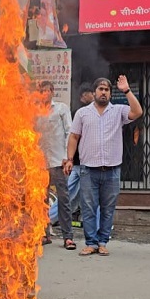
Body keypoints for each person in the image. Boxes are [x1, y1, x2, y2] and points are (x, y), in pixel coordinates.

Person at [63, 75, 143, 256]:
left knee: (108, 208)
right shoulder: (82, 113)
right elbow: (74, 136)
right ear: (94, 93)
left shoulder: (118, 111)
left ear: (110, 94)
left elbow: (137, 112)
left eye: (107, 89)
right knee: (88, 207)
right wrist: (69, 159)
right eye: (101, 89)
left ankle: (103, 242)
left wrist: (127, 91)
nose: (104, 92)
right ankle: (90, 242)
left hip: (112, 169)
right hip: (88, 169)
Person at [48, 83, 98, 227]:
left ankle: (94, 224)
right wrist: (68, 158)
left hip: (88, 162)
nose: (93, 95)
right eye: (91, 92)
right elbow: (72, 136)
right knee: (68, 193)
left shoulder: (94, 112)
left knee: (87, 195)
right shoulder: (79, 112)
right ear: (84, 95)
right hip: (77, 162)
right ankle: (50, 218)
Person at [36, 81, 74, 249]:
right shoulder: (34, 112)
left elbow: (69, 132)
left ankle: (68, 237)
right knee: (41, 201)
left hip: (59, 161)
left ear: (52, 92)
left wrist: (67, 157)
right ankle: (44, 234)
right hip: (40, 164)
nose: (45, 94)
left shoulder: (61, 108)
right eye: (42, 91)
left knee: (64, 199)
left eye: (47, 90)